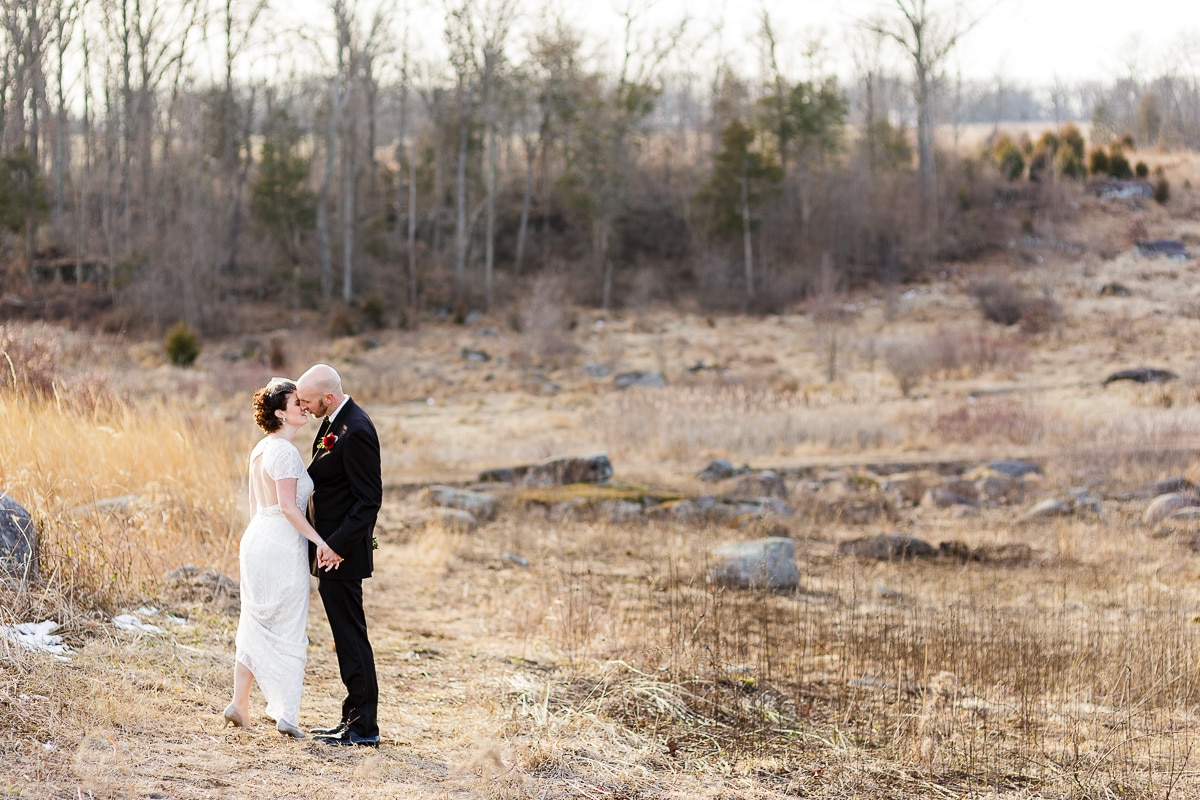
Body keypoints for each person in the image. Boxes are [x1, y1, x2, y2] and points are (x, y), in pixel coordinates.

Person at [224, 378, 343, 738]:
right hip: (280, 543)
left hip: (257, 537)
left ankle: (239, 704)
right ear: (280, 413)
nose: (304, 408)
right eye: (297, 404)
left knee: (256, 621)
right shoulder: (286, 452)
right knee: (289, 627)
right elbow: (290, 509)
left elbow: (256, 506)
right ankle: (287, 716)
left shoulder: (261, 449)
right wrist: (321, 541)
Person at [295, 364, 383, 747]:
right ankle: (351, 720)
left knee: (352, 638)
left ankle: (364, 728)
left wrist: (335, 546)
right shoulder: (335, 420)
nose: (304, 407)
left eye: (308, 401)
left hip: (340, 554)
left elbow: (368, 501)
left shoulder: (357, 429)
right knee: (345, 637)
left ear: (327, 397)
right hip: (328, 549)